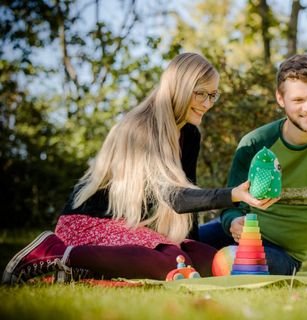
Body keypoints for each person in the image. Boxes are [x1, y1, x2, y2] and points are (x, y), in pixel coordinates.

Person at [2, 52, 276, 285]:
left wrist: (190, 246)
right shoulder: (141, 128)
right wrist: (234, 194)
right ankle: (52, 253)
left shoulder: (189, 133)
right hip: (90, 225)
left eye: (212, 95)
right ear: (179, 87)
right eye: (200, 93)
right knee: (173, 263)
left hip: (135, 229)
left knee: (208, 260)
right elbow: (175, 198)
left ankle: (84, 269)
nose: (207, 103)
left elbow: (187, 191)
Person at [199, 54, 307, 275]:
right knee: (178, 246)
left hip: (283, 254)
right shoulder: (256, 142)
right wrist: (233, 221)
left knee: (233, 260)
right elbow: (232, 205)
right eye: (298, 100)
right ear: (281, 99)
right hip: (238, 234)